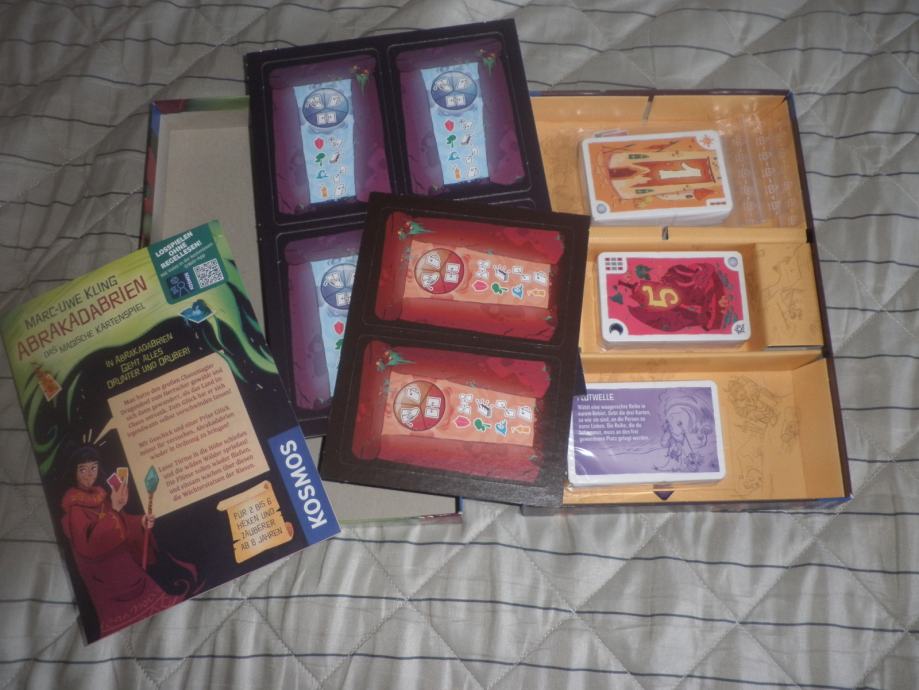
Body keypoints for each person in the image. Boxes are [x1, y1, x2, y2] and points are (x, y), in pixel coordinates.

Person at [60, 445, 185, 638]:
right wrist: (115, 509)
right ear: (74, 473)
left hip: (126, 566)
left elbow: (123, 522)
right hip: (106, 576)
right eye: (83, 470)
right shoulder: (75, 509)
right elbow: (89, 546)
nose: (89, 475)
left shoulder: (101, 496)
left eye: (93, 468)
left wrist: (141, 522)